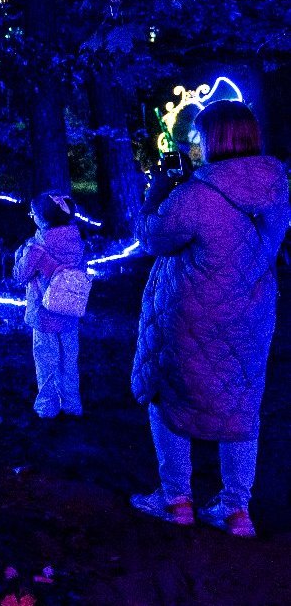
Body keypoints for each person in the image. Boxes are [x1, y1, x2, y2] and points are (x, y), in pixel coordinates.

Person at [130, 100, 289, 538]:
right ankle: (237, 511)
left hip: (191, 317)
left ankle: (175, 499)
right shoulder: (276, 189)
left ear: (217, 139)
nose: (193, 148)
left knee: (167, 396)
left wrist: (157, 191)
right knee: (240, 405)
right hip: (249, 316)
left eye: (198, 139)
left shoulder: (195, 195)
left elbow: (152, 238)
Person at [15, 191, 86, 418]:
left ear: (42, 217)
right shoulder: (77, 242)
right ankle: (72, 404)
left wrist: (20, 255)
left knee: (46, 359)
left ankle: (47, 407)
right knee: (69, 359)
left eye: (33, 213)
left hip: (45, 313)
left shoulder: (37, 247)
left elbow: (20, 275)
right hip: (70, 311)